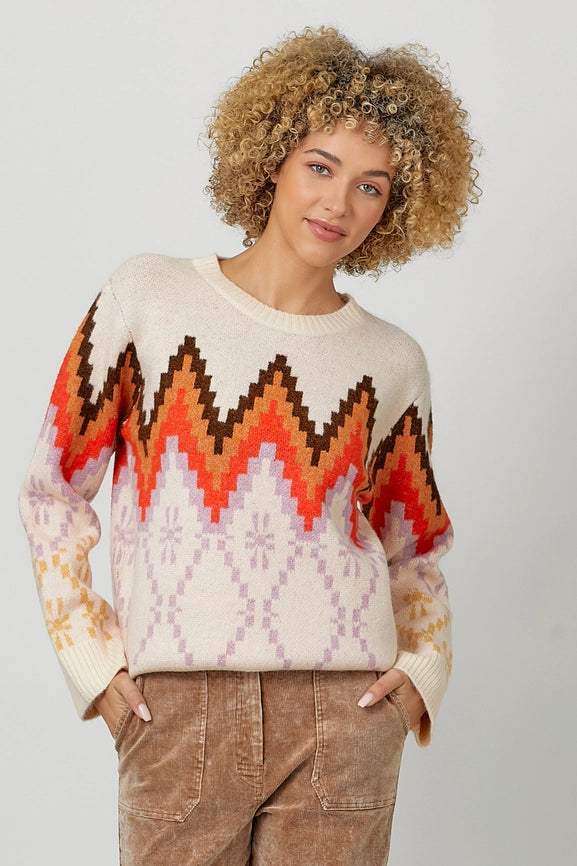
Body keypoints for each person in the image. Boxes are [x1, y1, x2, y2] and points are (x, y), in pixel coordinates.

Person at [19, 26, 478, 865]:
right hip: (175, 709)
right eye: (319, 166)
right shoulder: (147, 295)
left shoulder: (391, 361)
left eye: (370, 186)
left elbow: (413, 547)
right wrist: (92, 660)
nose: (337, 204)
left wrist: (421, 672)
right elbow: (54, 488)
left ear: (395, 206)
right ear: (271, 160)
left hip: (346, 713)